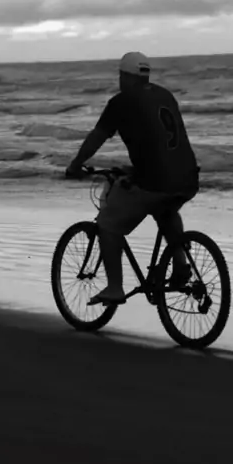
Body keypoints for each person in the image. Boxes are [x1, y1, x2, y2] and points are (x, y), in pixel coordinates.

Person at [65, 52, 199, 305]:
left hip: (156, 180)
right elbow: (162, 143)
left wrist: (75, 165)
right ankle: (180, 265)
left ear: (125, 76)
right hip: (188, 176)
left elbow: (97, 136)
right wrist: (135, 168)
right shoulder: (165, 95)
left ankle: (115, 288)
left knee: (108, 224)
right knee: (166, 209)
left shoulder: (122, 102)